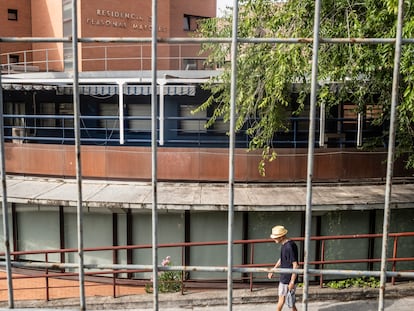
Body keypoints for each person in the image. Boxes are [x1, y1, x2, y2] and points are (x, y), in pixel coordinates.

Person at [267, 225, 299, 311]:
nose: (274, 239)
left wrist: (292, 281)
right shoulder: (286, 244)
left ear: (281, 237)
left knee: (282, 300)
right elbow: (282, 259)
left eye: (275, 237)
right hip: (287, 277)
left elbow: (295, 265)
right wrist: (273, 269)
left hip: (287, 278)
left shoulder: (289, 246)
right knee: (290, 302)